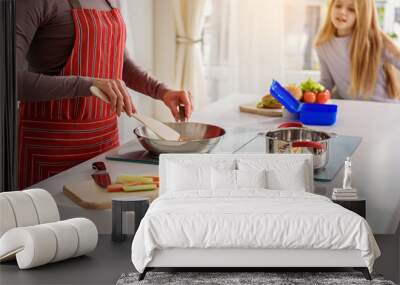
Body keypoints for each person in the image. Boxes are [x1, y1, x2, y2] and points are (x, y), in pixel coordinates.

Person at [17, 0, 192, 189]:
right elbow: (8, 81)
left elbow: (120, 63)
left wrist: (162, 91)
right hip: (50, 152)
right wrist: (89, 84)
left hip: (105, 149)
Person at [314, 0, 400, 102]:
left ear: (363, 14)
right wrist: (309, 93)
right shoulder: (323, 45)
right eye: (338, 5)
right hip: (351, 107)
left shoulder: (376, 40)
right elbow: (327, 82)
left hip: (384, 107)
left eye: (351, 9)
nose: (342, 11)